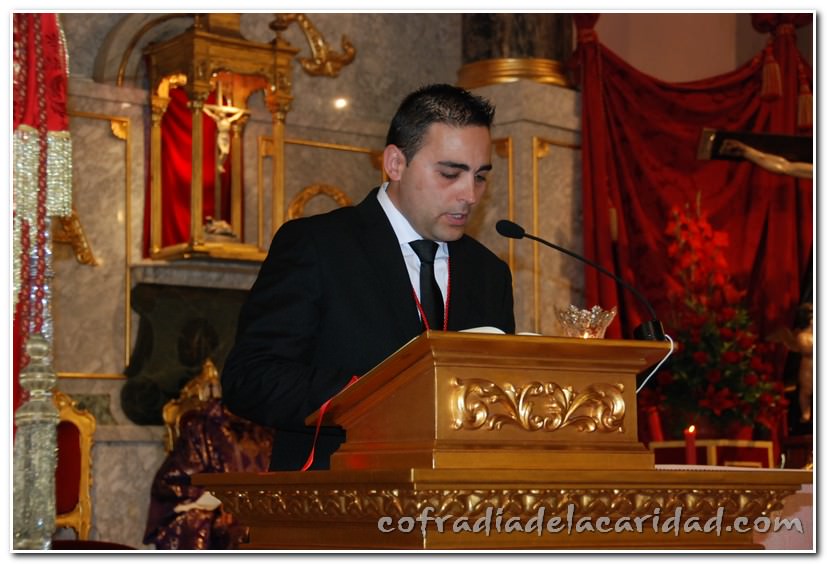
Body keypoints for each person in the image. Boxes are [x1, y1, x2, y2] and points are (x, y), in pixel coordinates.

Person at [221, 84, 515, 471]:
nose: (470, 195)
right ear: (395, 163)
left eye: (480, 177)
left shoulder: (489, 272)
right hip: (335, 494)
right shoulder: (318, 245)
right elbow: (250, 379)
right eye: (450, 174)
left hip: (454, 495)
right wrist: (373, 396)